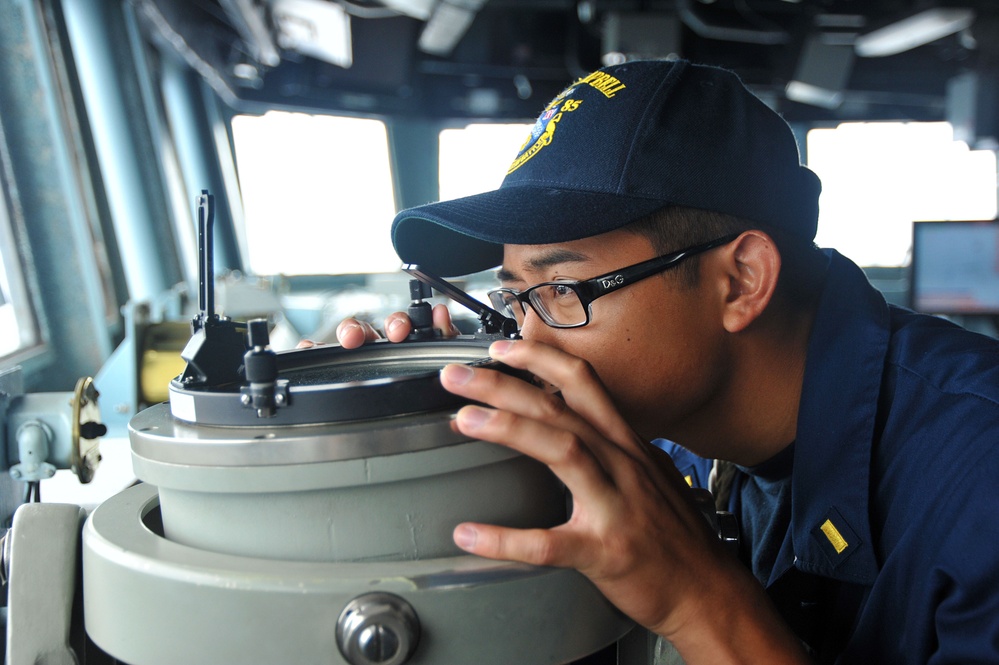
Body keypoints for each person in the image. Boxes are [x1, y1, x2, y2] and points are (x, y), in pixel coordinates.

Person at [335, 59, 999, 663]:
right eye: (513, 298)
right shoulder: (668, 419)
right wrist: (413, 431)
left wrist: (698, 600)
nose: (527, 344)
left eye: (561, 289)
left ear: (740, 280)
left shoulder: (978, 480)